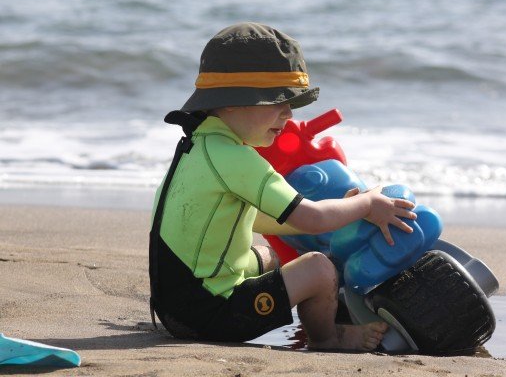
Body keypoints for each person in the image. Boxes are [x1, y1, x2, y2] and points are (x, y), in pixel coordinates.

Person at [149, 22, 417, 351]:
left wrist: (342, 214)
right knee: (319, 267)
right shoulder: (238, 159)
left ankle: (313, 304)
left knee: (269, 256)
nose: (289, 114)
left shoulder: (198, 145)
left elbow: (251, 218)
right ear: (232, 102)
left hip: (175, 304)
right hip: (210, 316)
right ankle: (328, 337)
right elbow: (312, 219)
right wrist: (367, 205)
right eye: (277, 101)